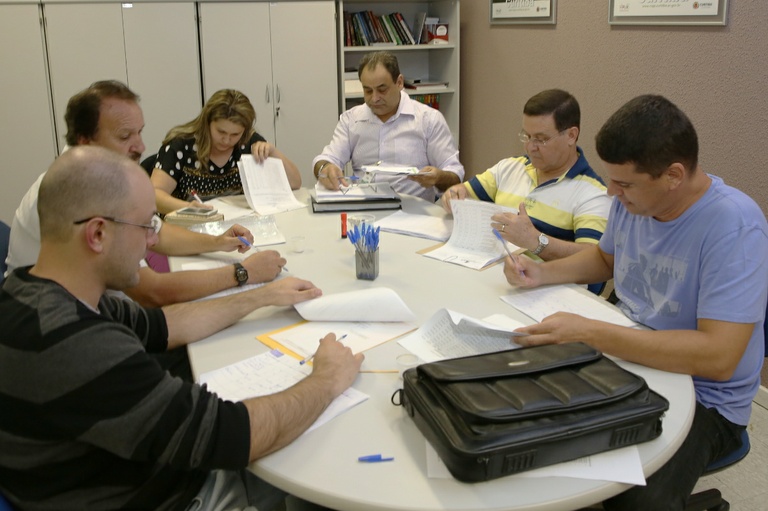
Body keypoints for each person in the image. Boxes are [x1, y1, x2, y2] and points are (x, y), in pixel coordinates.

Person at [0, 145, 363, 511]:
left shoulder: (34, 291)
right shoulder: (77, 346)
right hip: (177, 497)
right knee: (332, 483)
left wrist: (261, 296)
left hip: (122, 476)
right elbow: (234, 434)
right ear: (97, 235)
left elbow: (163, 325)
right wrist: (327, 379)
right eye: (145, 226)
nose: (153, 241)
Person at [503, 95, 768, 510]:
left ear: (674, 176)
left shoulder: (734, 227)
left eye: (624, 184)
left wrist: (592, 332)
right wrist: (542, 272)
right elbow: (608, 258)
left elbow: (719, 357)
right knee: (526, 430)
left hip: (706, 399)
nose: (612, 192)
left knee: (634, 501)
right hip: (629, 360)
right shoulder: (635, 202)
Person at [5, 80, 286, 308]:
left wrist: (217, 241)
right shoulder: (78, 192)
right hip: (59, 325)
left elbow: (158, 232)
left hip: (101, 310)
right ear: (85, 140)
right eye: (125, 137)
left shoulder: (102, 174)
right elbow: (152, 292)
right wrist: (244, 273)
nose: (140, 146)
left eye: (139, 133)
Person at [442, 89, 611, 274]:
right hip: (492, 274)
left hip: (546, 291)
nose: (530, 147)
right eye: (527, 136)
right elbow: (463, 191)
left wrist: (535, 241)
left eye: (541, 139)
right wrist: (454, 194)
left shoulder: (594, 194)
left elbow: (595, 262)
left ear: (571, 135)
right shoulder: (510, 167)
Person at [313, 51, 464, 202]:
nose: (374, 98)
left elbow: (455, 175)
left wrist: (439, 177)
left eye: (382, 89)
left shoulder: (428, 120)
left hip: (413, 213)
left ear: (399, 82)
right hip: (365, 210)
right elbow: (326, 158)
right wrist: (324, 168)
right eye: (367, 90)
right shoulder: (351, 120)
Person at [151, 89, 301, 214]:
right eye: (220, 131)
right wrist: (188, 207)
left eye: (235, 134)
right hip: (189, 227)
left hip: (238, 227)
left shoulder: (248, 142)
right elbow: (154, 195)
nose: (226, 140)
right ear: (207, 122)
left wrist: (272, 151)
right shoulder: (181, 145)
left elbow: (295, 183)